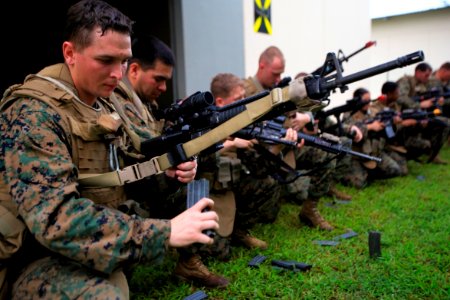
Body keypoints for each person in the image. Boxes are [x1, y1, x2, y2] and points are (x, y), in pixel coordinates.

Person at [0, 1, 219, 298]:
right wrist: (165, 232)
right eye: (105, 60)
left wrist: (165, 172)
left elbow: (121, 175)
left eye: (124, 61)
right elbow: (57, 220)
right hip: (29, 257)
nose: (118, 74)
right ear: (70, 53)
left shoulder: (103, 104)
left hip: (78, 242)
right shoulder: (33, 113)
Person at [113, 34, 229, 288]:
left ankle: (189, 261)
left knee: (201, 170)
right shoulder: (119, 102)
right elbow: (145, 149)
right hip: (128, 191)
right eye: (159, 79)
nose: (164, 87)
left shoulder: (146, 103)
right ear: (134, 70)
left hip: (149, 179)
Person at [244, 46, 341, 231]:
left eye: (280, 74)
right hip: (262, 154)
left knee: (327, 153)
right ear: (261, 65)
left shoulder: (279, 89)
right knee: (268, 216)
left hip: (289, 146)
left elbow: (302, 113)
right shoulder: (246, 91)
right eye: (275, 74)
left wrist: (303, 120)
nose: (278, 79)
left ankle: (309, 209)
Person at [341, 87, 407, 188]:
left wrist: (392, 124)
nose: (368, 102)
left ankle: (370, 174)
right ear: (357, 100)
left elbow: (389, 134)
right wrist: (370, 127)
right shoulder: (349, 114)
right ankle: (354, 174)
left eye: (369, 99)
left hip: (376, 153)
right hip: (358, 156)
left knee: (395, 170)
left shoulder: (374, 112)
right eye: (365, 100)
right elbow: (347, 130)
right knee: (358, 184)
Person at [396, 62, 449, 164]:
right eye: (426, 75)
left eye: (429, 75)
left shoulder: (424, 84)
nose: (427, 78)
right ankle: (409, 154)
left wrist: (437, 102)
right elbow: (401, 98)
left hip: (420, 115)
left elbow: (429, 101)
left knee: (445, 123)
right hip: (404, 116)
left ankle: (433, 154)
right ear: (418, 72)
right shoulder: (406, 81)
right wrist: (420, 105)